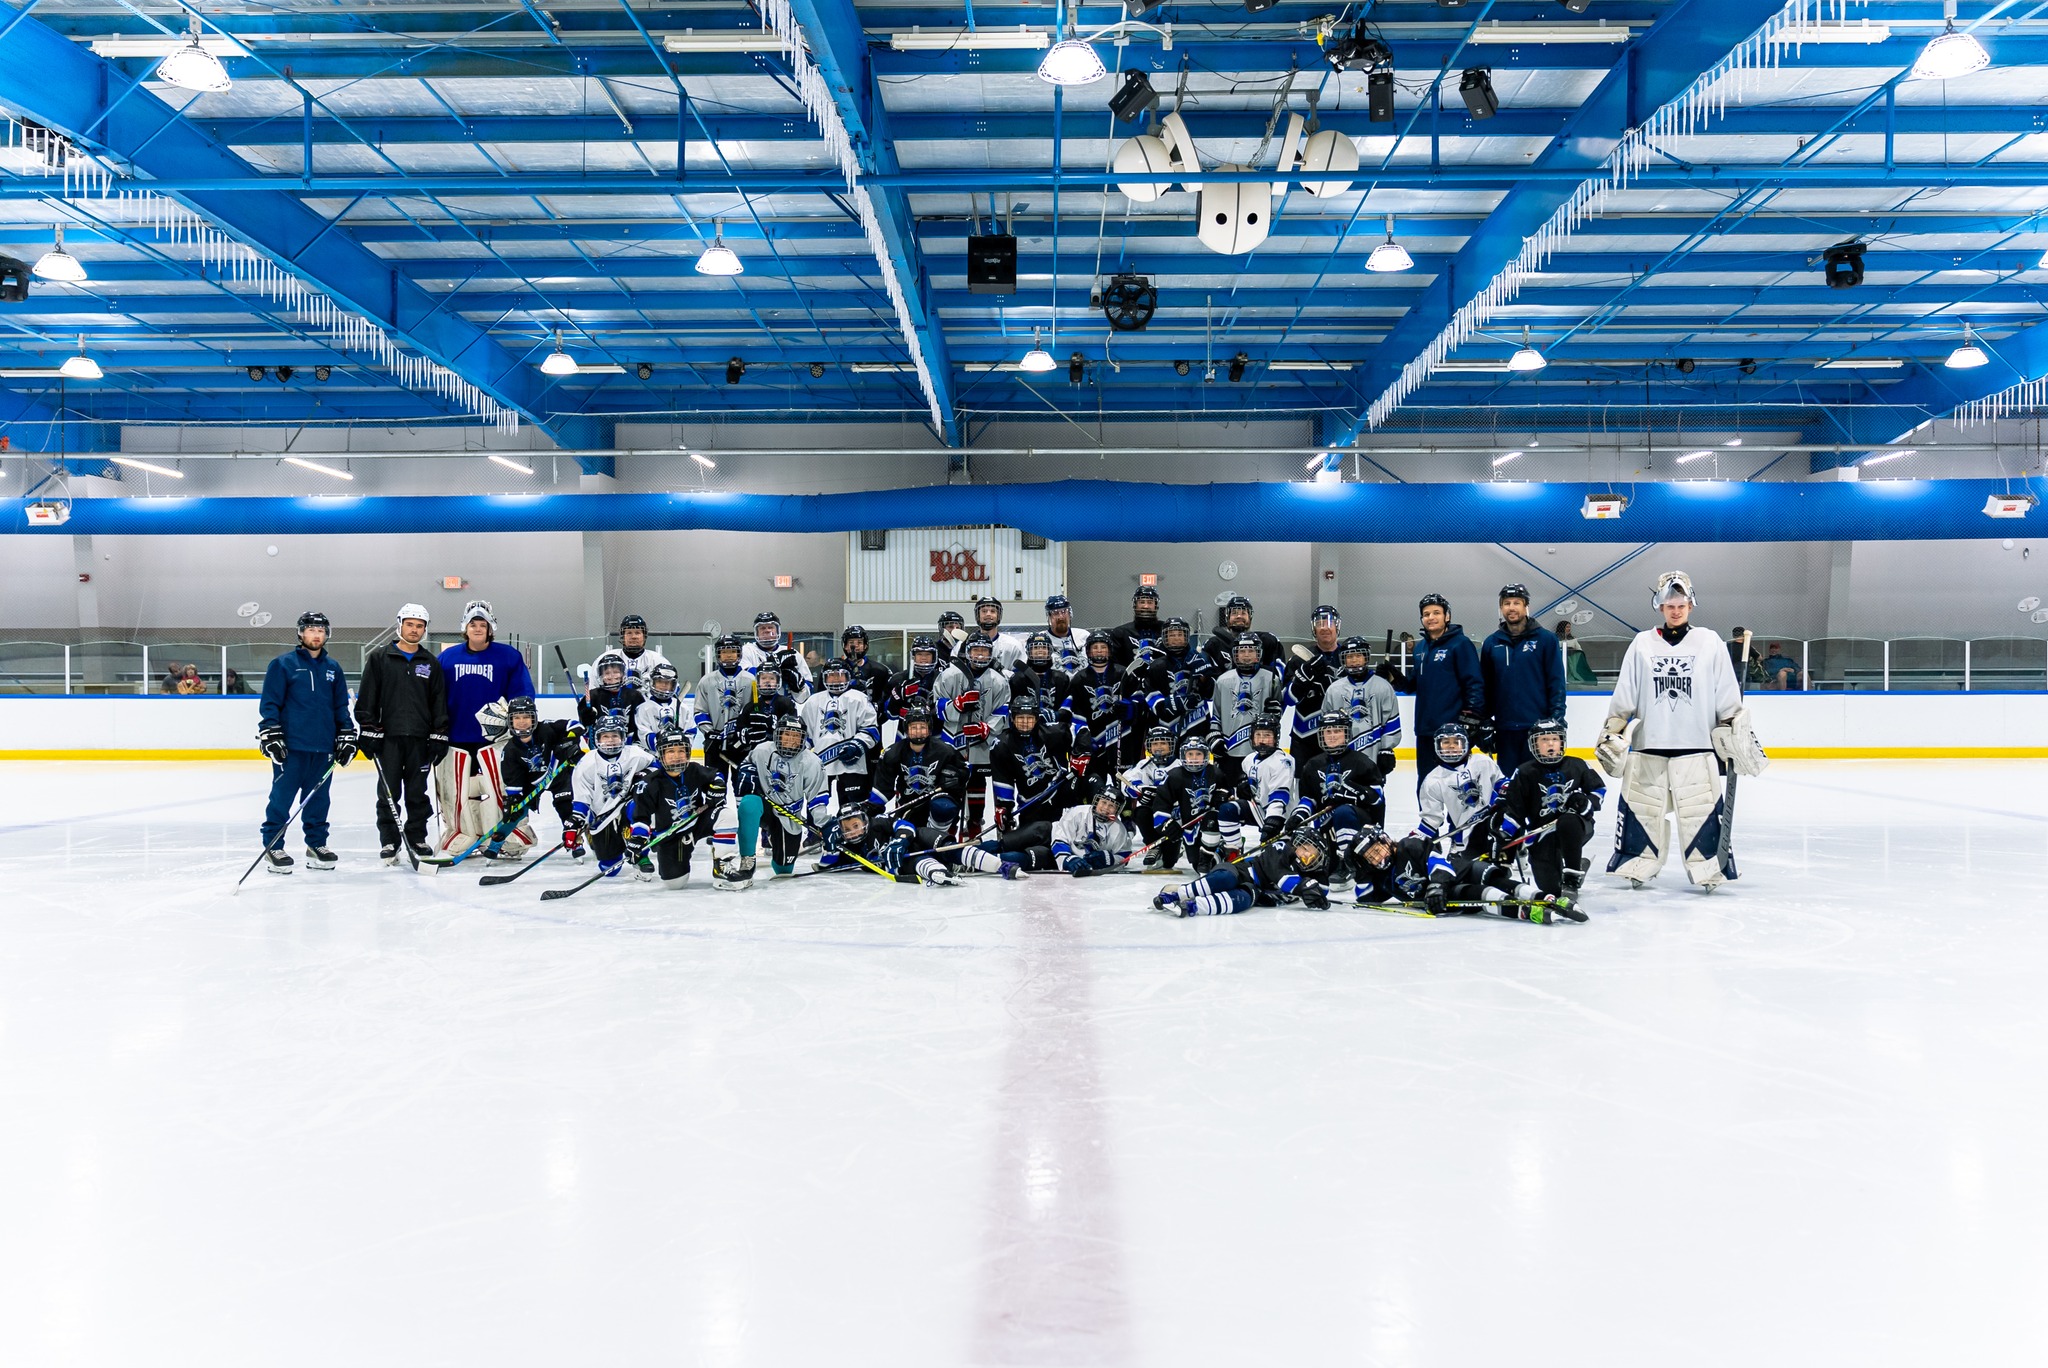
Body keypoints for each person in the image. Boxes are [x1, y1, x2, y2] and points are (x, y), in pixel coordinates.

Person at [1598, 571, 1766, 891]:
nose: (1675, 611)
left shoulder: (1709, 641)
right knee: (1642, 812)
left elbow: (1725, 692)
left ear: (1690, 606)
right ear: (1660, 607)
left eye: (1681, 605)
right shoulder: (1642, 643)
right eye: (1669, 605)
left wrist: (1733, 727)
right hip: (1649, 744)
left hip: (1696, 744)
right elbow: (1625, 693)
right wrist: (1614, 730)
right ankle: (1637, 862)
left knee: (1700, 814)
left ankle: (1708, 867)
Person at [255, 611, 357, 874]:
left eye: (321, 630)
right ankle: (274, 846)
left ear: (327, 634)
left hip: (323, 748)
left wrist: (346, 733)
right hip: (292, 748)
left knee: (319, 800)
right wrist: (271, 733)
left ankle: (316, 844)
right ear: (301, 633)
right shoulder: (283, 665)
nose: (316, 635)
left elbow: (340, 707)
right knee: (281, 798)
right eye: (311, 630)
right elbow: (270, 704)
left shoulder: (333, 668)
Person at [436, 599, 537, 857]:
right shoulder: (447, 658)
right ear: (465, 627)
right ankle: (463, 834)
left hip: (496, 741)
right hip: (456, 739)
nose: (478, 628)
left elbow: (522, 695)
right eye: (473, 624)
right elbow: (434, 696)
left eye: (483, 624)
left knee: (499, 789)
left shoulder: (508, 657)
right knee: (457, 792)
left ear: (491, 628)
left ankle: (505, 834)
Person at [355, 602, 450, 864]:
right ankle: (390, 841)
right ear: (400, 626)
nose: (414, 630)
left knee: (417, 793)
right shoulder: (380, 658)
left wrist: (439, 733)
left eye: (419, 626)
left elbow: (438, 701)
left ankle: (417, 837)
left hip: (420, 740)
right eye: (410, 624)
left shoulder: (430, 662)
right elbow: (367, 697)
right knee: (389, 792)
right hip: (389, 739)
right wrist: (369, 728)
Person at [1348, 826, 1576, 922]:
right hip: (1448, 894)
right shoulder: (1381, 879)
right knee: (1478, 893)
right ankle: (1524, 911)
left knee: (1494, 877)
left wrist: (1436, 885)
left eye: (1377, 850)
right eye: (1370, 857)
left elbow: (1439, 864)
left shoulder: (1410, 845)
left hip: (1458, 870)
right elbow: (1365, 898)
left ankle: (1544, 898)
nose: (1377, 858)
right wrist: (1357, 868)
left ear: (1386, 841)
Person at [1496, 718, 1604, 913]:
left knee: (1568, 821)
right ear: (1534, 744)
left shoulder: (1577, 764)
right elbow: (1515, 812)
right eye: (1544, 740)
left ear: (1562, 742)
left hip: (1576, 827)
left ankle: (1572, 877)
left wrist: (1586, 803)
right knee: (1550, 890)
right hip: (1542, 834)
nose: (1550, 744)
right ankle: (1576, 863)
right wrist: (1505, 839)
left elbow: (1598, 789)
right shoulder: (1524, 772)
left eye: (1555, 739)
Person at [612, 727, 724, 888]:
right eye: (670, 751)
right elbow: (641, 817)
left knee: (725, 815)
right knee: (674, 883)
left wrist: (718, 785)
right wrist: (637, 839)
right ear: (661, 755)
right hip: (672, 834)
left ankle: (723, 866)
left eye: (681, 751)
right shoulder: (648, 784)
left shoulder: (694, 770)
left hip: (698, 822)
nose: (676, 756)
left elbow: (716, 775)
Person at [724, 713, 827, 887]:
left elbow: (817, 799)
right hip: (764, 806)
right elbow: (746, 766)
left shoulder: (812, 762)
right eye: (786, 734)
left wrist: (824, 825)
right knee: (749, 804)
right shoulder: (761, 751)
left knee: (783, 869)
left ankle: (775, 837)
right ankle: (747, 860)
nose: (791, 739)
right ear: (777, 734)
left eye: (796, 735)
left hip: (788, 815)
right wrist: (747, 771)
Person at [1481, 584, 1566, 779]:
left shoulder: (1546, 640)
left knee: (1537, 783)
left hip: (1538, 728)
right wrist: (1484, 721)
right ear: (1501, 608)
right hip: (1505, 728)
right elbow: (1486, 686)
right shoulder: (1492, 643)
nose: (1511, 608)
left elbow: (1556, 682)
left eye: (1516, 603)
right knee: (1509, 784)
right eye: (1507, 603)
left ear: (1526, 606)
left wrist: (1557, 717)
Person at [1151, 828, 1333, 917]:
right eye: (1304, 848)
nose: (1306, 854)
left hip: (1254, 890)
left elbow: (1322, 889)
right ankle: (1179, 893)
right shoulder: (1281, 848)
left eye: (1312, 853)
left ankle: (1194, 906)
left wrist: (1317, 897)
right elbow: (1280, 876)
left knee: (1242, 900)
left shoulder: (1313, 872)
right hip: (1241, 870)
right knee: (1226, 879)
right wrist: (1304, 888)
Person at [1291, 710, 1386, 866]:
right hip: (1327, 828)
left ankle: (1347, 862)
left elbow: (1377, 798)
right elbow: (1308, 799)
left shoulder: (1362, 762)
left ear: (1347, 733)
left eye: (1337, 731)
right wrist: (1299, 816)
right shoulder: (1312, 765)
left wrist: (1349, 792)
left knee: (1343, 812)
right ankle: (1335, 860)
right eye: (1328, 732)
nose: (1332, 736)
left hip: (1362, 831)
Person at [1412, 593, 1485, 793]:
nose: (1431, 617)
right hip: (1425, 729)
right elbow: (1414, 683)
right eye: (1426, 614)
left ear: (1447, 616)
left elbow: (1474, 683)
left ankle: (1459, 816)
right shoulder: (1420, 648)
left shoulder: (1460, 644)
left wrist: (1472, 718)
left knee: (1458, 784)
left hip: (1453, 730)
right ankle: (1427, 815)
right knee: (1426, 783)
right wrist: (1396, 679)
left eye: (1436, 612)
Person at [496, 697, 584, 861]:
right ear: (510, 721)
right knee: (515, 812)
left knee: (565, 805)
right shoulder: (510, 750)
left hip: (559, 776)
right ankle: (496, 844)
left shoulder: (546, 729)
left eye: (526, 717)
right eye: (517, 717)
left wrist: (570, 740)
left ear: (534, 718)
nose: (522, 722)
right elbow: (513, 781)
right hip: (532, 783)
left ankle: (575, 841)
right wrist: (514, 800)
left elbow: (575, 725)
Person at [941, 636, 1011, 838]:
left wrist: (986, 728)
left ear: (991, 654)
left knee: (977, 783)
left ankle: (974, 828)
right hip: (953, 741)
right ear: (968, 652)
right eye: (976, 651)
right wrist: (956, 705)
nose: (980, 655)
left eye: (984, 651)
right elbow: (936, 705)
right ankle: (949, 833)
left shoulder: (998, 680)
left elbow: (1003, 711)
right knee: (952, 786)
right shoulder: (950, 675)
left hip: (982, 745)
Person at [570, 710, 653, 876]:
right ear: (598, 738)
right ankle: (593, 834)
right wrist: (575, 823)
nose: (610, 740)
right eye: (605, 736)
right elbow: (581, 799)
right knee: (610, 869)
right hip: (602, 814)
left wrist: (643, 776)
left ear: (623, 737)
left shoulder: (635, 754)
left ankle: (641, 855)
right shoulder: (586, 763)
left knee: (637, 808)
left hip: (626, 804)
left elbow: (656, 768)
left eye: (615, 736)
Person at [869, 705, 970, 836]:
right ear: (906, 729)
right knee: (908, 837)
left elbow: (965, 770)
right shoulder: (893, 753)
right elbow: (883, 786)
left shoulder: (945, 750)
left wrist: (956, 777)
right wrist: (871, 806)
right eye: (913, 728)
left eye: (922, 727)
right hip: (908, 804)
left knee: (943, 807)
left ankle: (938, 837)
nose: (918, 732)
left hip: (937, 801)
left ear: (929, 729)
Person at [815, 802, 959, 886]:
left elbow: (905, 825)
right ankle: (937, 871)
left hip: (914, 841)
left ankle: (964, 857)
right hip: (904, 860)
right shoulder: (848, 848)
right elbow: (826, 867)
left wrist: (900, 840)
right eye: (846, 829)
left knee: (941, 843)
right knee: (907, 863)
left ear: (865, 821)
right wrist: (830, 846)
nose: (852, 832)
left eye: (856, 825)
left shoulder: (877, 823)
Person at [802, 659, 882, 808]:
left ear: (848, 677)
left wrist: (857, 746)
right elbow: (805, 735)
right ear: (824, 678)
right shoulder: (813, 701)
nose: (836, 679)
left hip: (853, 764)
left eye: (840, 675)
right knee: (817, 808)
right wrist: (803, 757)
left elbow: (871, 730)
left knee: (853, 809)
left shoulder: (859, 698)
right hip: (820, 764)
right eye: (831, 675)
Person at [988, 694, 1073, 834]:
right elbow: (1003, 779)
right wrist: (1004, 808)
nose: (1025, 722)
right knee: (1032, 842)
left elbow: (1080, 730)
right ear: (1012, 718)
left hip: (1060, 792)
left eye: (1029, 718)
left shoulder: (1052, 732)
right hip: (1032, 803)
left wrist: (1080, 754)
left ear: (1036, 719)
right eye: (1020, 718)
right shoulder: (1002, 745)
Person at [1417, 722, 1504, 856]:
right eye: (1446, 742)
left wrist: (1505, 793)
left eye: (1456, 742)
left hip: (1493, 828)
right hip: (1464, 837)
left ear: (1466, 744)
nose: (1451, 746)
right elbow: (1431, 819)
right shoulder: (1432, 780)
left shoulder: (1483, 762)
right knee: (1464, 867)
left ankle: (1519, 853)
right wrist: (1416, 837)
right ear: (1437, 746)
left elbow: (1501, 783)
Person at [1322, 636, 1402, 780]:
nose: (1354, 660)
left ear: (1366, 658)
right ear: (1343, 660)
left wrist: (1386, 749)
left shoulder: (1382, 686)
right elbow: (1327, 724)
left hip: (1374, 752)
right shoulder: (1334, 690)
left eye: (1358, 655)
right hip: (1342, 754)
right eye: (1349, 656)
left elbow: (1391, 719)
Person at [1062, 633, 1135, 785]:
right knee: (1094, 782)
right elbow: (1076, 712)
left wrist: (1131, 708)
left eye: (1103, 647)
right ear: (1088, 652)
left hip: (1122, 737)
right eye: (1095, 647)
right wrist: (1085, 738)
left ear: (1110, 650)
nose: (1099, 650)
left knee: (1124, 781)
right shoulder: (1079, 678)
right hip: (1095, 739)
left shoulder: (1123, 673)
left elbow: (1138, 698)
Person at [1211, 632, 1280, 787]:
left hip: (1261, 749)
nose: (1246, 655)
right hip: (1229, 750)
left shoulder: (1271, 679)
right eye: (1242, 651)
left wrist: (1275, 714)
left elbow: (1277, 715)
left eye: (1251, 651)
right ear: (1235, 654)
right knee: (1229, 793)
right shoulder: (1223, 681)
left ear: (1259, 653)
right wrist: (1214, 737)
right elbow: (1216, 715)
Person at [1135, 617, 1214, 749]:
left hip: (1197, 723)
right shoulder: (1156, 666)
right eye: (1171, 635)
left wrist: (1204, 675)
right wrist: (1175, 703)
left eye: (1180, 634)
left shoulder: (1202, 658)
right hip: (1167, 729)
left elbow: (1211, 694)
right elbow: (1153, 701)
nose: (1176, 638)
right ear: (1164, 637)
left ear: (1187, 636)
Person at [1284, 605, 1344, 762]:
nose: (1324, 628)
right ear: (1313, 628)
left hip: (1340, 737)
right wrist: (1302, 679)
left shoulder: (1348, 657)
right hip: (1304, 737)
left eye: (1329, 623)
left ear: (1337, 626)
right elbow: (1288, 699)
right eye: (1319, 623)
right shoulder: (1298, 660)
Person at [693, 635, 754, 776]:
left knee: (742, 783)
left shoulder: (751, 680)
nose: (729, 655)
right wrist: (710, 733)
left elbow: (756, 709)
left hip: (742, 744)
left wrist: (746, 732)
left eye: (732, 651)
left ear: (739, 653)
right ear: (718, 654)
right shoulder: (706, 681)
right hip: (715, 745)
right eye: (724, 652)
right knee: (715, 784)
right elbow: (700, 711)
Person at [1239, 711, 1296, 851]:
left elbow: (1279, 796)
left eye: (1267, 735)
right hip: (1259, 811)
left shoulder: (1284, 761)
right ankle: (1233, 848)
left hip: (1281, 817)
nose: (1262, 740)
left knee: (1275, 856)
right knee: (1227, 810)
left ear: (1276, 737)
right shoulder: (1248, 760)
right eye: (1258, 735)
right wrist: (1242, 790)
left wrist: (1272, 821)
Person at [1202, 594, 1283, 673]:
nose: (1239, 616)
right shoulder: (1213, 644)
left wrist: (1255, 669)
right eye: (1234, 613)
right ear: (1227, 617)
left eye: (1243, 613)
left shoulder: (1268, 641)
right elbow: (1205, 675)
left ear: (1250, 617)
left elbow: (1280, 671)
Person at [1010, 632, 1073, 734]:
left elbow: (1068, 708)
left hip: (1055, 731)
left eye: (1044, 647)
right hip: (1025, 729)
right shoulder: (1018, 679)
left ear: (1050, 651)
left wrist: (1056, 715)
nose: (1040, 651)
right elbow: (1011, 710)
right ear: (1028, 651)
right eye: (1035, 648)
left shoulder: (1061, 678)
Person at [741, 610, 813, 700]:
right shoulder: (747, 650)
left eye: (770, 627)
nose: (767, 630)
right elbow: (745, 676)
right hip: (756, 703)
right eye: (762, 628)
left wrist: (798, 683)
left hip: (786, 703)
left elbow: (809, 688)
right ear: (756, 632)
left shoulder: (791, 653)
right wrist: (776, 667)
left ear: (777, 630)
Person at [578, 649, 646, 733]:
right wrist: (586, 717)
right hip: (602, 739)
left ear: (623, 674)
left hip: (630, 739)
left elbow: (642, 722)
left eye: (616, 672)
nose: (612, 676)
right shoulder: (592, 695)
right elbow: (583, 725)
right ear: (600, 676)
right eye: (607, 673)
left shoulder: (635, 695)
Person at [955, 595, 1025, 671]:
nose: (988, 614)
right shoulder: (962, 646)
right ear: (978, 615)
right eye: (984, 611)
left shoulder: (1013, 646)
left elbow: (1020, 675)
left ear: (998, 615)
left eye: (993, 611)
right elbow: (953, 673)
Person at [1105, 584, 1165, 670]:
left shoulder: (1166, 631)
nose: (1146, 606)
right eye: (1142, 602)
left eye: (1150, 602)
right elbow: (1114, 666)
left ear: (1156, 605)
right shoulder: (1120, 633)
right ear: (1135, 605)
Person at [633, 662, 688, 753]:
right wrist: (662, 747)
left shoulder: (683, 708)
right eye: (660, 682)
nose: (664, 685)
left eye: (668, 682)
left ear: (674, 685)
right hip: (652, 756)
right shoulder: (643, 708)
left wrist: (680, 746)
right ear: (652, 682)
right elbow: (644, 733)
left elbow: (690, 731)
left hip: (676, 756)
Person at [611, 613, 669, 692]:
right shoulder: (608, 659)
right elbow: (595, 687)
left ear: (644, 636)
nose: (633, 637)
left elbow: (671, 688)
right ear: (622, 636)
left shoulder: (657, 660)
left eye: (637, 633)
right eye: (629, 633)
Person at [838, 625, 893, 703]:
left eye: (859, 642)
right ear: (845, 646)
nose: (855, 646)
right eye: (851, 642)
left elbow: (887, 698)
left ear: (865, 646)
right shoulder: (838, 670)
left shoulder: (880, 670)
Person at [1042, 593, 1090, 674]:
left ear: (1070, 614)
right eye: (1055, 613)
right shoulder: (1042, 640)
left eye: (1064, 611)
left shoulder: (1084, 636)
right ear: (1049, 617)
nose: (1061, 617)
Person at [1560, 621, 1600, 687]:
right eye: (1567, 627)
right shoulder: (1555, 638)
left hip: (1572, 658)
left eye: (1569, 627)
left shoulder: (1573, 639)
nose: (1569, 629)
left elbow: (1579, 650)